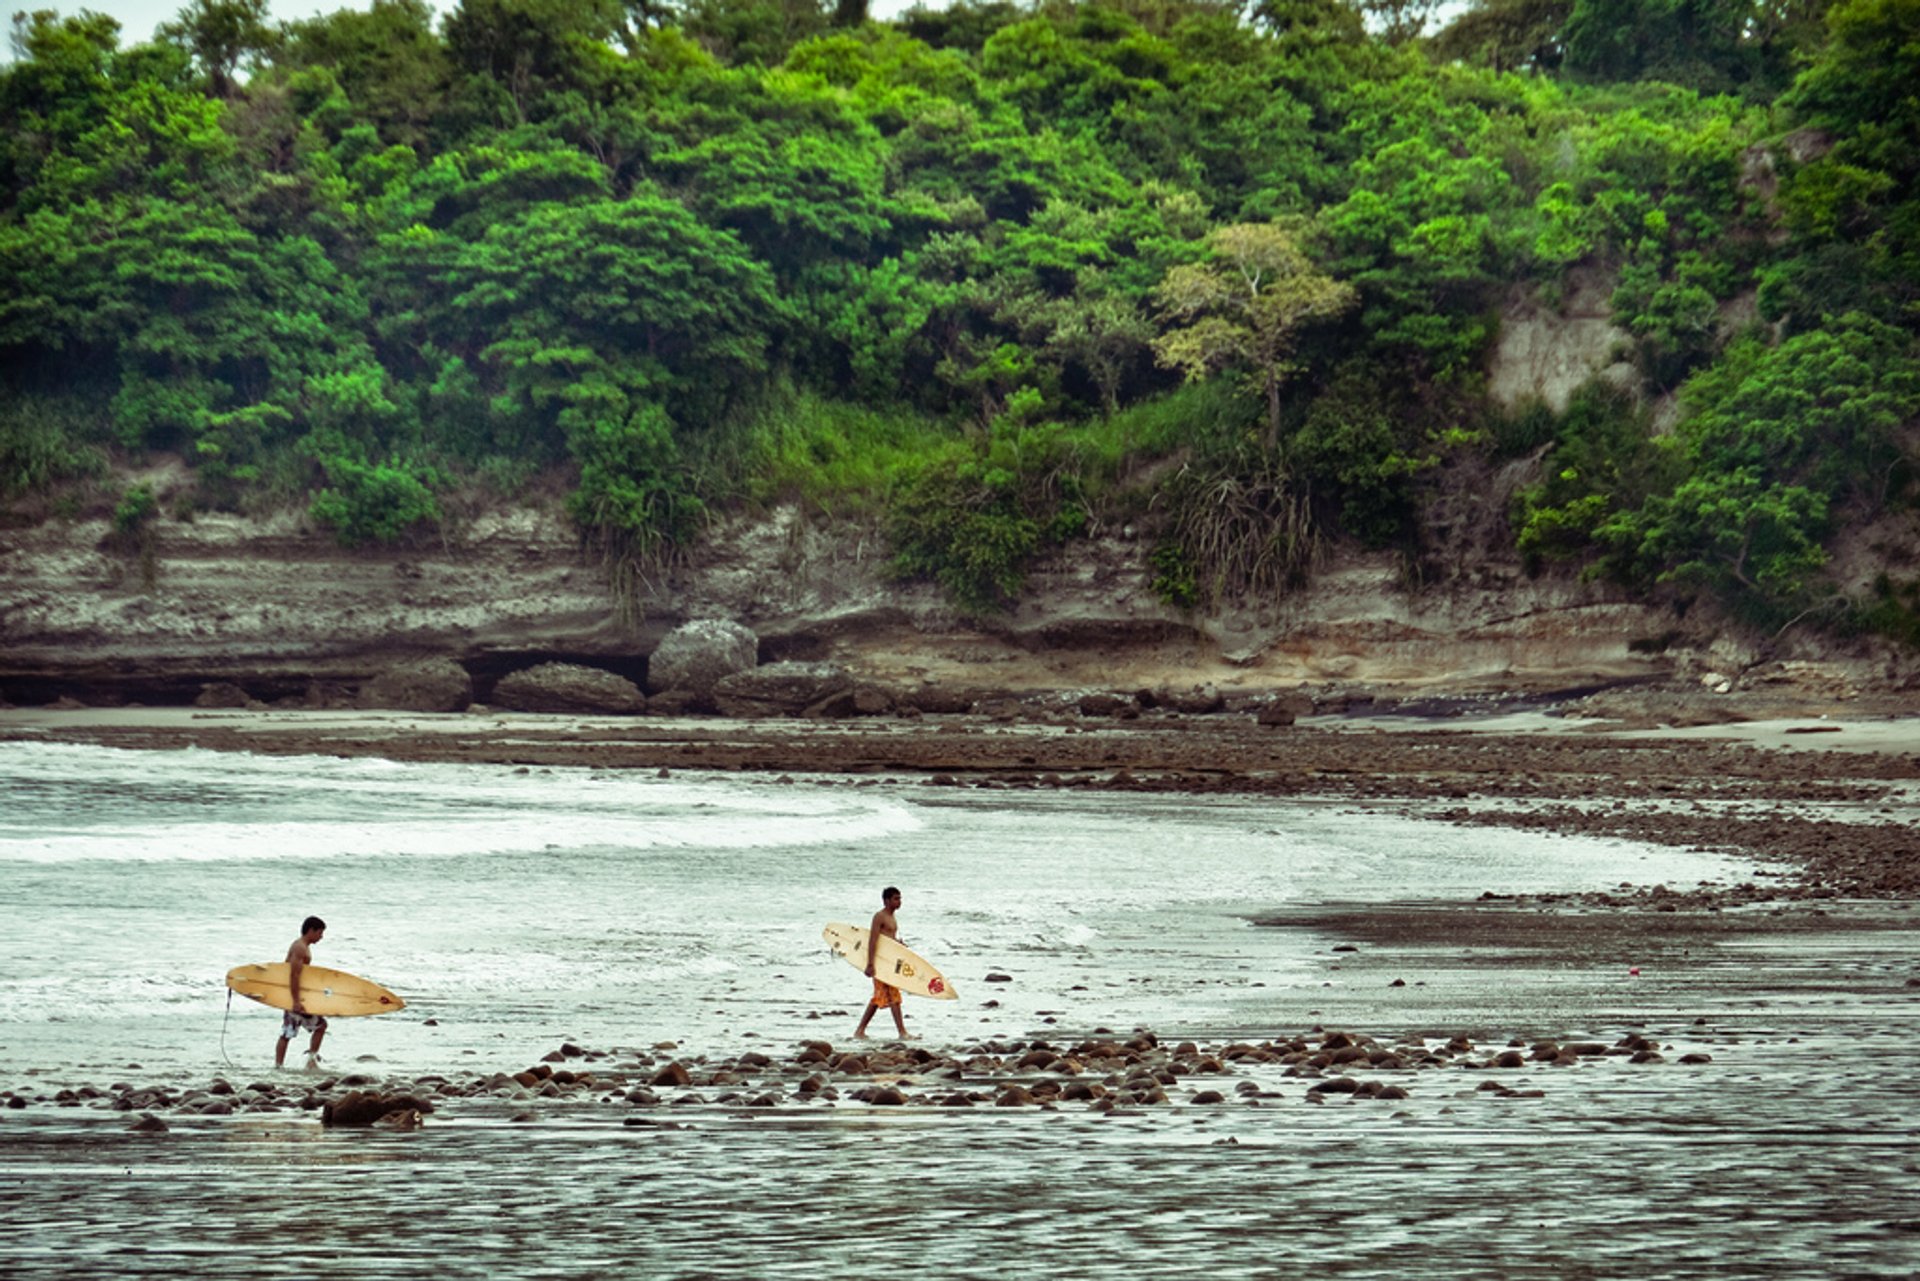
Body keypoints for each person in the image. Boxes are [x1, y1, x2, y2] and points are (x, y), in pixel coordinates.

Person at [854, 887, 910, 1040]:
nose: (899, 902)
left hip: (889, 962)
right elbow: (873, 940)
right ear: (886, 900)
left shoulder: (892, 917)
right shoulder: (879, 916)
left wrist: (899, 945)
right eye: (896, 899)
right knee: (892, 996)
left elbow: (888, 941)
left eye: (900, 898)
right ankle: (902, 1032)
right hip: (879, 963)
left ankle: (860, 1031)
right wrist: (870, 964)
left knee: (880, 997)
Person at [275, 916, 329, 1069]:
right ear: (311, 930)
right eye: (320, 933)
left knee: (293, 1031)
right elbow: (294, 975)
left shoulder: (303, 946)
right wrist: (296, 1001)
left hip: (296, 996)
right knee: (290, 1031)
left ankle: (287, 1064)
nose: (321, 937)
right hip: (294, 997)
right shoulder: (299, 947)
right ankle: (287, 1065)